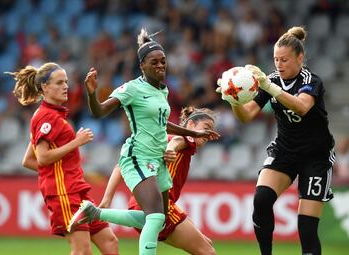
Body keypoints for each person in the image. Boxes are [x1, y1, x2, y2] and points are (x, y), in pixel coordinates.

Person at [68, 29, 219, 255]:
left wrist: (196, 134)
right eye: (154, 62)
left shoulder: (162, 90)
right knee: (157, 216)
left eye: (163, 61)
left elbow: (162, 123)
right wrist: (92, 93)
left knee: (157, 217)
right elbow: (99, 112)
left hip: (155, 160)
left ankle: (94, 213)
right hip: (137, 156)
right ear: (142, 66)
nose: (160, 66)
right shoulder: (131, 89)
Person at [217, 26, 335, 255]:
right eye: (275, 59)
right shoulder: (270, 80)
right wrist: (233, 100)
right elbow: (247, 115)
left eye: (284, 60)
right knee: (261, 200)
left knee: (307, 229)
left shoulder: (311, 81)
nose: (279, 65)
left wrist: (269, 86)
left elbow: (301, 107)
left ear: (300, 58)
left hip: (316, 157)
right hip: (285, 152)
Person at [7, 62, 119, 255]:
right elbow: (42, 158)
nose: (66, 86)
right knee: (82, 251)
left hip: (74, 189)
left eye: (66, 82)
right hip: (64, 193)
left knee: (110, 242)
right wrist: (77, 142)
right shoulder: (46, 117)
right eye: (59, 83)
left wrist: (58, 171)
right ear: (45, 87)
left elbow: (28, 160)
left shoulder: (51, 115)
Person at [83, 106, 217, 255]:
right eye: (206, 127)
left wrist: (107, 199)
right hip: (161, 204)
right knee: (208, 252)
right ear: (191, 125)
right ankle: (98, 213)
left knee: (206, 245)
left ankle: (98, 212)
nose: (208, 133)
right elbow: (177, 141)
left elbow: (120, 166)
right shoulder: (186, 139)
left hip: (139, 202)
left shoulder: (158, 140)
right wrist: (170, 150)